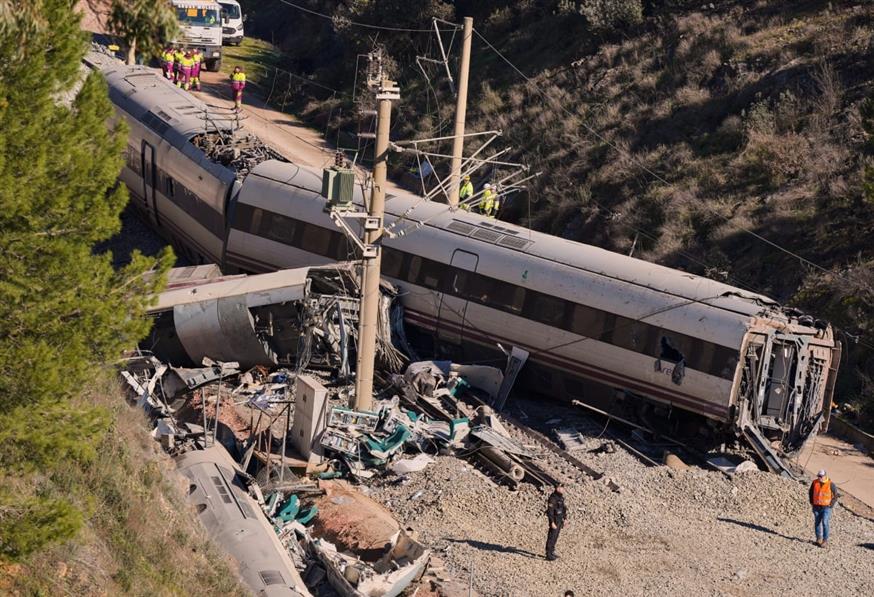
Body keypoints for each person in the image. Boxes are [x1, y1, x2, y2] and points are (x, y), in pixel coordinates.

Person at [809, 469, 839, 547]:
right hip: (816, 507)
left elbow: (835, 496)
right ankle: (818, 538)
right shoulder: (814, 483)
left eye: (821, 476)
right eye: (818, 476)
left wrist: (831, 505)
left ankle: (825, 540)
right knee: (817, 523)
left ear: (825, 476)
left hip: (826, 507)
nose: (819, 477)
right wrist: (812, 502)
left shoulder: (831, 484)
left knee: (825, 522)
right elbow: (811, 492)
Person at [546, 483, 566, 561]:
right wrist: (551, 522)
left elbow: (563, 509)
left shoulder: (560, 498)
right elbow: (550, 511)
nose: (563, 490)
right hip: (554, 520)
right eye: (562, 488)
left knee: (555, 537)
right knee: (551, 536)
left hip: (559, 520)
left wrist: (565, 518)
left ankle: (552, 551)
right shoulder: (553, 498)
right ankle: (548, 554)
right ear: (557, 488)